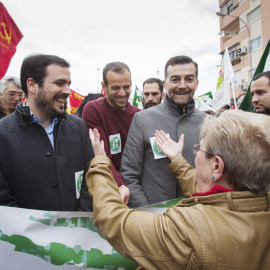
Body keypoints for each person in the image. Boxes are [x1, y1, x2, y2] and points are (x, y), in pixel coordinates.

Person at [86, 110, 270, 269]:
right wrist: (178, 160)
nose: (196, 154)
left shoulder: (188, 231)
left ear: (217, 166)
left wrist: (101, 162)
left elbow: (112, 219)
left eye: (199, 149)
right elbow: (211, 193)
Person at [0, 54, 93, 211]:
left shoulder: (78, 127)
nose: (67, 91)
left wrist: (79, 225)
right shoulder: (3, 133)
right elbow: (4, 198)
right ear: (32, 85)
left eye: (68, 84)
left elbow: (90, 180)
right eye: (59, 83)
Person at [120, 55, 206, 208]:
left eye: (189, 79)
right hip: (153, 222)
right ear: (165, 84)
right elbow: (129, 175)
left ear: (197, 83)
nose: (182, 85)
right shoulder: (142, 119)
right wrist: (148, 213)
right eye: (175, 79)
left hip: (196, 219)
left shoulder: (209, 123)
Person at [82, 62, 140, 204]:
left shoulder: (139, 116)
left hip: (136, 190)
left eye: (126, 87)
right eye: (115, 88)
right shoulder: (93, 110)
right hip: (108, 189)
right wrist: (119, 184)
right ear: (104, 86)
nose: (122, 93)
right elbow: (102, 153)